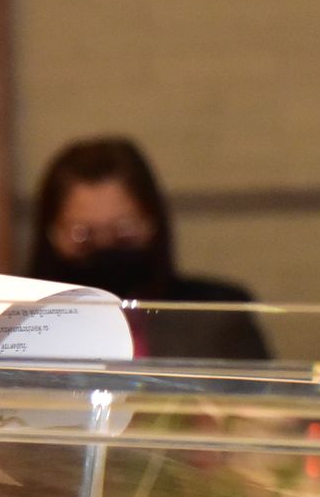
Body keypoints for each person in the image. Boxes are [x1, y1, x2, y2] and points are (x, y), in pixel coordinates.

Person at [25, 136, 269, 360]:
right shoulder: (18, 324)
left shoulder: (216, 316)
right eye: (83, 235)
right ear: (51, 234)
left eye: (123, 231)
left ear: (153, 223)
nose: (105, 245)